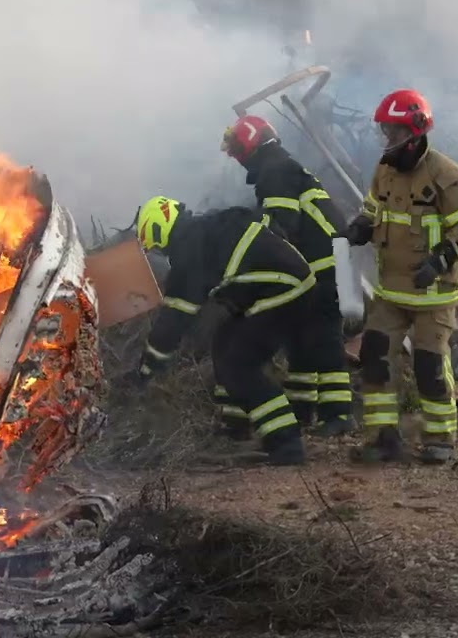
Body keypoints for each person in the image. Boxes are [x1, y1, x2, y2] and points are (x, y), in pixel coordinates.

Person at [341, 88, 458, 465]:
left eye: (394, 133)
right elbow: (374, 209)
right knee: (374, 357)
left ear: (416, 132)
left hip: (433, 294)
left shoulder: (448, 177)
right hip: (391, 290)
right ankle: (383, 438)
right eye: (385, 132)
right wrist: (360, 227)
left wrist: (437, 264)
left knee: (430, 366)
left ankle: (440, 440)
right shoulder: (385, 170)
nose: (387, 141)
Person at [133, 195, 319, 465]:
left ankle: (286, 443)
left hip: (281, 289)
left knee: (239, 365)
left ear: (157, 229)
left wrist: (147, 369)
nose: (160, 253)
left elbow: (173, 320)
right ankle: (235, 427)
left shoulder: (188, 250)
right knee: (224, 342)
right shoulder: (209, 225)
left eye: (156, 247)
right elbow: (267, 224)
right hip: (286, 284)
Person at [221, 115, 354, 438]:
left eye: (238, 148)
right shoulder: (279, 166)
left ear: (252, 143)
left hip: (326, 265)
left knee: (324, 339)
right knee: (302, 339)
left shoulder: (274, 172)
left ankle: (339, 415)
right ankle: (302, 411)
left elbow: (279, 227)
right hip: (325, 263)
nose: (238, 158)